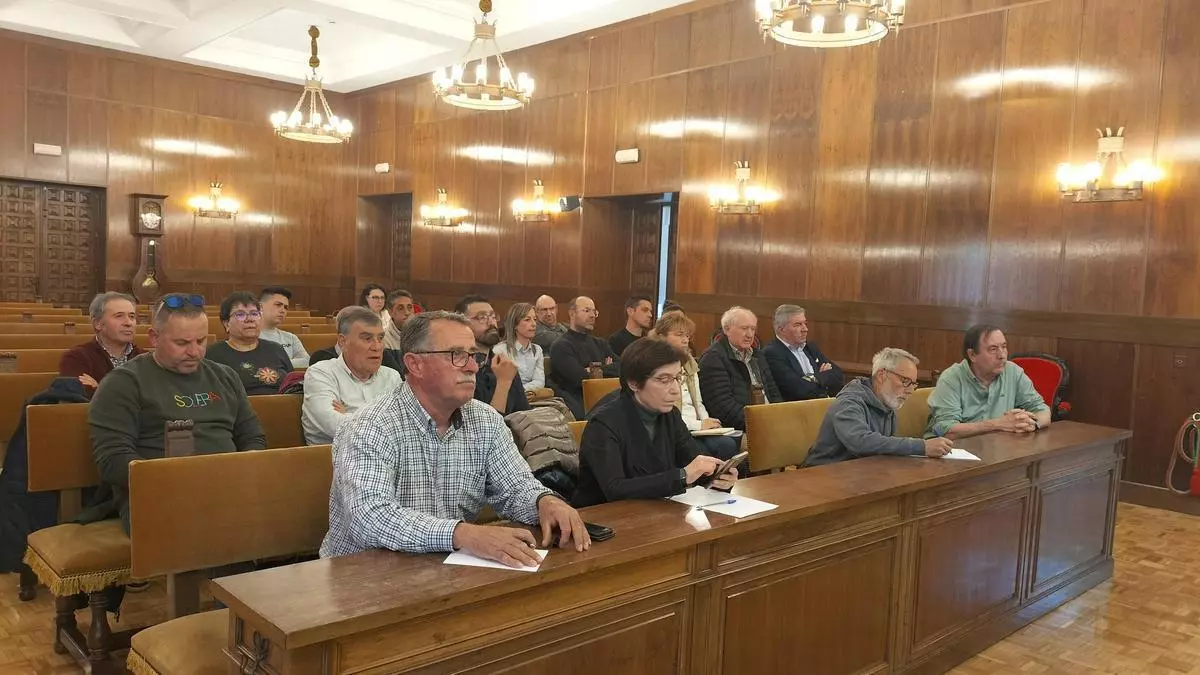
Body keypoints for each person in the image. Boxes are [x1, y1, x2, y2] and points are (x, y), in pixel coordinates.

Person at [319, 311, 590, 567]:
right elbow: (371, 518)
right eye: (456, 355)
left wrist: (544, 502)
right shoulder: (369, 427)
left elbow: (516, 488)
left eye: (473, 355)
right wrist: (462, 534)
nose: (472, 367)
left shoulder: (485, 420)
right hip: (360, 576)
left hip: (447, 567)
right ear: (415, 364)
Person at [87, 293, 265, 531]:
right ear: (154, 337)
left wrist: (244, 471)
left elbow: (252, 436)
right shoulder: (123, 383)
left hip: (229, 487)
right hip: (160, 494)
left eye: (201, 341)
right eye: (182, 343)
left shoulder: (225, 376)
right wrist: (182, 482)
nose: (194, 352)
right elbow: (113, 460)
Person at [572, 338, 737, 508]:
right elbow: (615, 488)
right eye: (664, 380)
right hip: (602, 516)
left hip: (655, 509)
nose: (676, 391)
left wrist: (716, 476)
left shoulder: (670, 415)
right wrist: (682, 476)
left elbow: (692, 461)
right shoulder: (603, 423)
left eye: (677, 378)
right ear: (634, 383)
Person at [806, 348, 952, 466]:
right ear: (882, 375)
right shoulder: (849, 402)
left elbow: (881, 449)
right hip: (822, 475)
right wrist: (921, 446)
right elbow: (861, 442)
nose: (910, 390)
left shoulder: (888, 402)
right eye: (905, 381)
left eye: (913, 384)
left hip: (861, 473)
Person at [925, 324, 1051, 439]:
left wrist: (1032, 424)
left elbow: (1042, 410)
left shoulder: (1013, 372)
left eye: (1004, 347)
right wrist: (998, 424)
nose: (1002, 355)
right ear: (972, 355)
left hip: (997, 447)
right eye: (993, 349)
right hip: (952, 450)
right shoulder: (951, 379)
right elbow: (946, 430)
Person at [302, 307, 403, 445]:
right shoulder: (320, 373)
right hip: (331, 456)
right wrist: (387, 421)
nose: (377, 347)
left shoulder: (391, 376)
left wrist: (350, 415)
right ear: (343, 341)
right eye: (367, 339)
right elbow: (332, 424)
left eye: (380, 338)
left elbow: (406, 423)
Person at [649, 311, 740, 461]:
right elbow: (664, 412)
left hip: (695, 427)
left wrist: (708, 423)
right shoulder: (655, 365)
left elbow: (697, 401)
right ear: (661, 337)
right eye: (679, 335)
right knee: (711, 449)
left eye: (687, 335)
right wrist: (699, 425)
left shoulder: (689, 363)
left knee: (728, 443)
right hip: (673, 428)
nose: (685, 340)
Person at [698, 307, 781, 431]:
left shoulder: (757, 355)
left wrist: (781, 416)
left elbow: (773, 392)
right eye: (744, 328)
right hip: (741, 427)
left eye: (753, 329)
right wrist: (758, 423)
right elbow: (722, 406)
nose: (750, 335)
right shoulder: (713, 358)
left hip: (768, 420)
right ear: (727, 329)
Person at [203, 291, 292, 395]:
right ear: (226, 324)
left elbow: (293, 384)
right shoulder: (212, 354)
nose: (249, 319)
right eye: (240, 314)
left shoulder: (276, 349)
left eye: (254, 314)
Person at [58, 291, 144, 394]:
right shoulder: (76, 358)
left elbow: (155, 397)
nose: (128, 323)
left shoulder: (146, 359)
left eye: (132, 316)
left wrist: (100, 388)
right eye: (119, 316)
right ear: (97, 324)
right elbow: (78, 397)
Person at [455, 295, 528, 414]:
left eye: (493, 316)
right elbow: (484, 424)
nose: (491, 322)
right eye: (482, 317)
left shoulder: (504, 365)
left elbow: (523, 413)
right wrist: (503, 383)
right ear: (462, 325)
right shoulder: (458, 368)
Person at [547, 296, 619, 418]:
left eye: (594, 312)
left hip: (606, 398)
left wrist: (594, 370)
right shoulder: (561, 346)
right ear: (572, 313)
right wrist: (606, 367)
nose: (592, 315)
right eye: (586, 310)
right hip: (577, 402)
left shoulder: (600, 343)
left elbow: (621, 368)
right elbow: (580, 378)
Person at [763, 304, 843, 400]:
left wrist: (813, 378)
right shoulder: (772, 353)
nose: (805, 329)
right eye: (798, 325)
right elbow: (799, 390)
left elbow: (838, 374)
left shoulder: (810, 347)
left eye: (805, 324)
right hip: (798, 407)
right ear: (782, 329)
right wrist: (822, 377)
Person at [493, 301, 545, 390]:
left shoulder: (537, 350)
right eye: (527, 320)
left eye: (535, 319)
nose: (533, 324)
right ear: (515, 325)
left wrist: (522, 390)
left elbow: (539, 381)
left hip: (532, 395)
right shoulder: (500, 350)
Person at [258, 286, 310, 368]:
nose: (283, 310)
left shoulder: (291, 337)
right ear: (260, 306)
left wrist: (274, 363)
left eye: (286, 307)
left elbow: (306, 361)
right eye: (278, 305)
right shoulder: (248, 335)